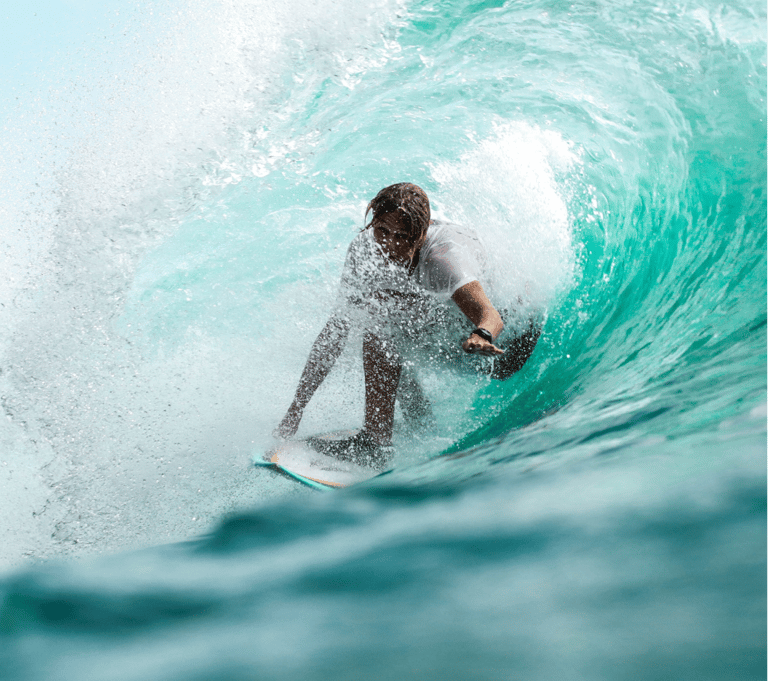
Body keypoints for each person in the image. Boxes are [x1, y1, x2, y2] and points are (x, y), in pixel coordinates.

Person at [275, 183, 540, 467]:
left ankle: (399, 429)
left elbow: (490, 315)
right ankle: (389, 435)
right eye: (382, 231)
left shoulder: (443, 259)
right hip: (452, 330)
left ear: (421, 234)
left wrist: (482, 334)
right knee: (378, 318)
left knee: (387, 323)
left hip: (506, 346)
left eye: (402, 236)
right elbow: (335, 332)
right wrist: (297, 408)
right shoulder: (365, 250)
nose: (389, 244)